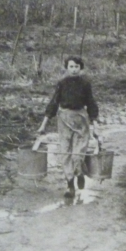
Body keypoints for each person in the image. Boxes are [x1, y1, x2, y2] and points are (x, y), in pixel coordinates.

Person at [37, 55, 101, 198]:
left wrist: (95, 126)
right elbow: (53, 103)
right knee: (65, 153)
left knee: (78, 153)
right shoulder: (62, 83)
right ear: (66, 68)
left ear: (80, 68)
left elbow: (91, 104)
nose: (73, 69)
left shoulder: (85, 84)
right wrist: (43, 125)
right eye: (71, 67)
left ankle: (79, 172)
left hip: (81, 121)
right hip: (64, 120)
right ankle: (70, 185)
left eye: (76, 67)